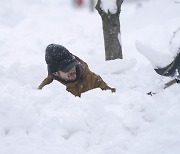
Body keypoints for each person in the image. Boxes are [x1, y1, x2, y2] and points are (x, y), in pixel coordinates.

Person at [38, 44, 116, 97]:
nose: (72, 70)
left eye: (73, 65)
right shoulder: (48, 90)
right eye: (66, 69)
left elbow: (111, 97)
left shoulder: (90, 79)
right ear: (56, 73)